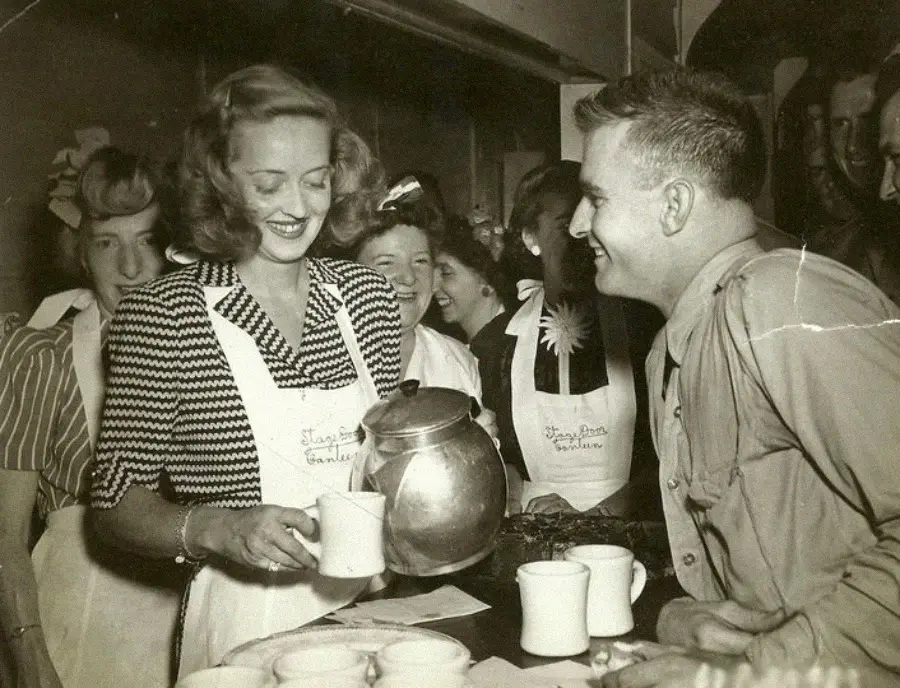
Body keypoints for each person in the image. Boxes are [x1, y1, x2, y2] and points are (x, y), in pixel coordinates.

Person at [569, 67, 900, 687]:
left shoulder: (782, 301)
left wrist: (750, 668)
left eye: (597, 198)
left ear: (674, 205)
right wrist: (681, 626)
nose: (576, 225)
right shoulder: (675, 345)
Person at [89, 65, 402, 677]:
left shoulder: (368, 297)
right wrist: (218, 528)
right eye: (269, 183)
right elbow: (114, 500)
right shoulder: (167, 313)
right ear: (221, 181)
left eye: (315, 181)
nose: (297, 207)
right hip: (243, 626)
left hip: (373, 615)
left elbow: (384, 464)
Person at [0, 146, 179, 688]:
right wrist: (29, 657)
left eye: (148, 241)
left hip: (191, 621)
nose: (131, 267)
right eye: (107, 243)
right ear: (80, 253)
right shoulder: (42, 356)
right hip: (80, 627)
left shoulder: (210, 348)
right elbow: (4, 534)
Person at [473, 161, 654, 515]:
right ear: (530, 238)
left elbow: (670, 462)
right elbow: (498, 459)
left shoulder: (644, 331)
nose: (580, 236)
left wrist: (599, 514)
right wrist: (514, 503)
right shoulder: (494, 344)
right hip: (535, 530)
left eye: (589, 219)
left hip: (631, 530)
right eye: (562, 224)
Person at [353, 179, 482, 400]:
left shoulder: (458, 361)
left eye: (420, 261)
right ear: (350, 274)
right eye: (387, 262)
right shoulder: (325, 357)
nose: (408, 277)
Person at [434, 215, 515, 343]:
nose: (433, 286)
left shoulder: (516, 348)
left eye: (446, 273)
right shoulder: (451, 347)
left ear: (487, 282)